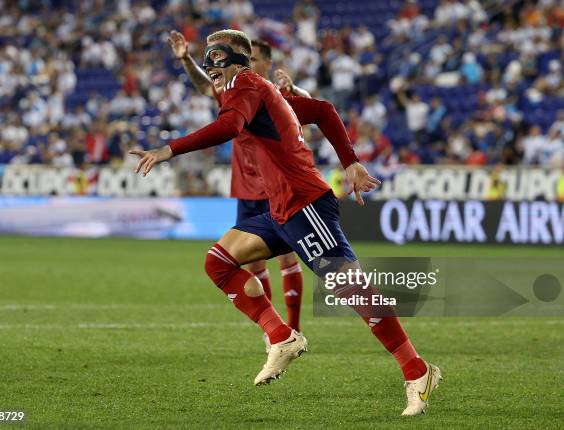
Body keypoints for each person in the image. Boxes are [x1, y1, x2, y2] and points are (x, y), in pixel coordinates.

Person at [131, 29, 440, 416]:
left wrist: (169, 149)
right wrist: (350, 162)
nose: (210, 66)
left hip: (304, 204)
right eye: (206, 60)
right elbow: (323, 110)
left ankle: (417, 370)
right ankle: (281, 335)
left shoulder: (245, 85)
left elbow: (228, 128)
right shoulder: (252, 90)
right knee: (218, 261)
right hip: (279, 209)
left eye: (215, 58)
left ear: (237, 59)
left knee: (353, 290)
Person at [168, 31, 344, 352]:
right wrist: (185, 59)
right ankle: (274, 332)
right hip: (245, 187)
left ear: (257, 60)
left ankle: (293, 328)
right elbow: (206, 87)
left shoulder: (267, 92)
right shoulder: (231, 91)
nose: (217, 62)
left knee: (304, 263)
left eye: (258, 59)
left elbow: (314, 110)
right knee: (248, 263)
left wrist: (170, 149)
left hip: (276, 187)